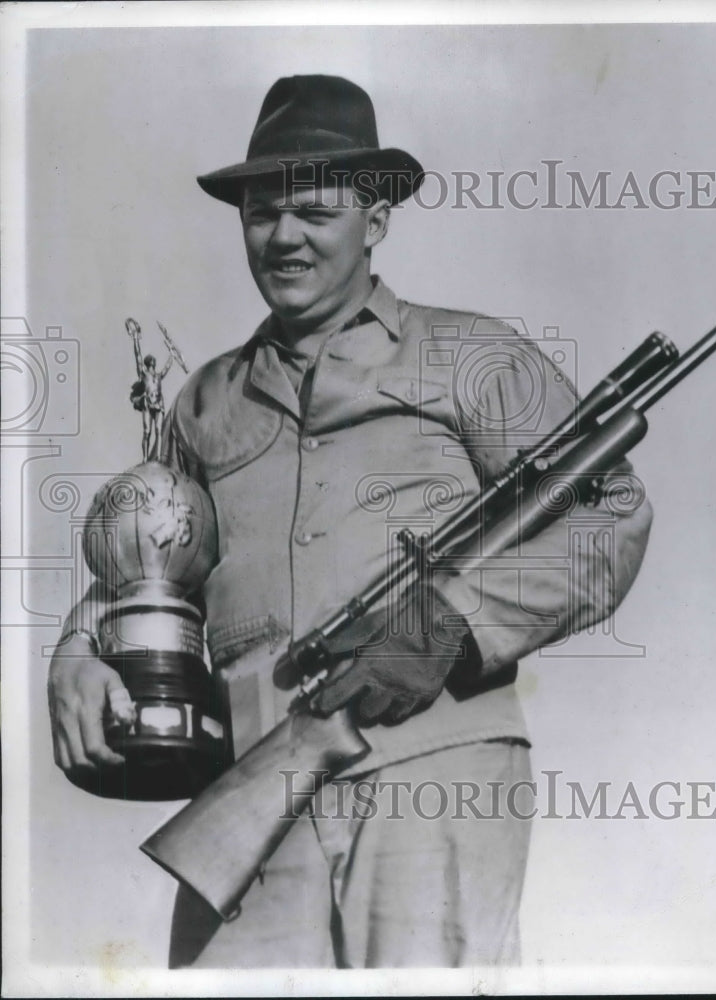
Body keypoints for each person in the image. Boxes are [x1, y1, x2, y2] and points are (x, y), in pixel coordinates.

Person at [47, 75, 653, 969]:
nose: (283, 235)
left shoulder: (475, 355)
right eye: (261, 212)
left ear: (376, 220)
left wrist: (455, 624)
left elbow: (611, 517)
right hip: (250, 775)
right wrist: (75, 652)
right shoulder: (204, 401)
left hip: (433, 775)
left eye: (315, 210)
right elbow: (140, 565)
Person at [126, 316, 174, 461]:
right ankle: (145, 458)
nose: (152, 361)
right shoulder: (144, 373)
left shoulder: (158, 375)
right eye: (150, 360)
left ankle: (158, 457)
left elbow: (167, 367)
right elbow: (138, 356)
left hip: (159, 403)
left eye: (153, 360)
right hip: (147, 402)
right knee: (147, 431)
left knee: (159, 431)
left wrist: (172, 354)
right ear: (148, 363)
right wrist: (135, 339)